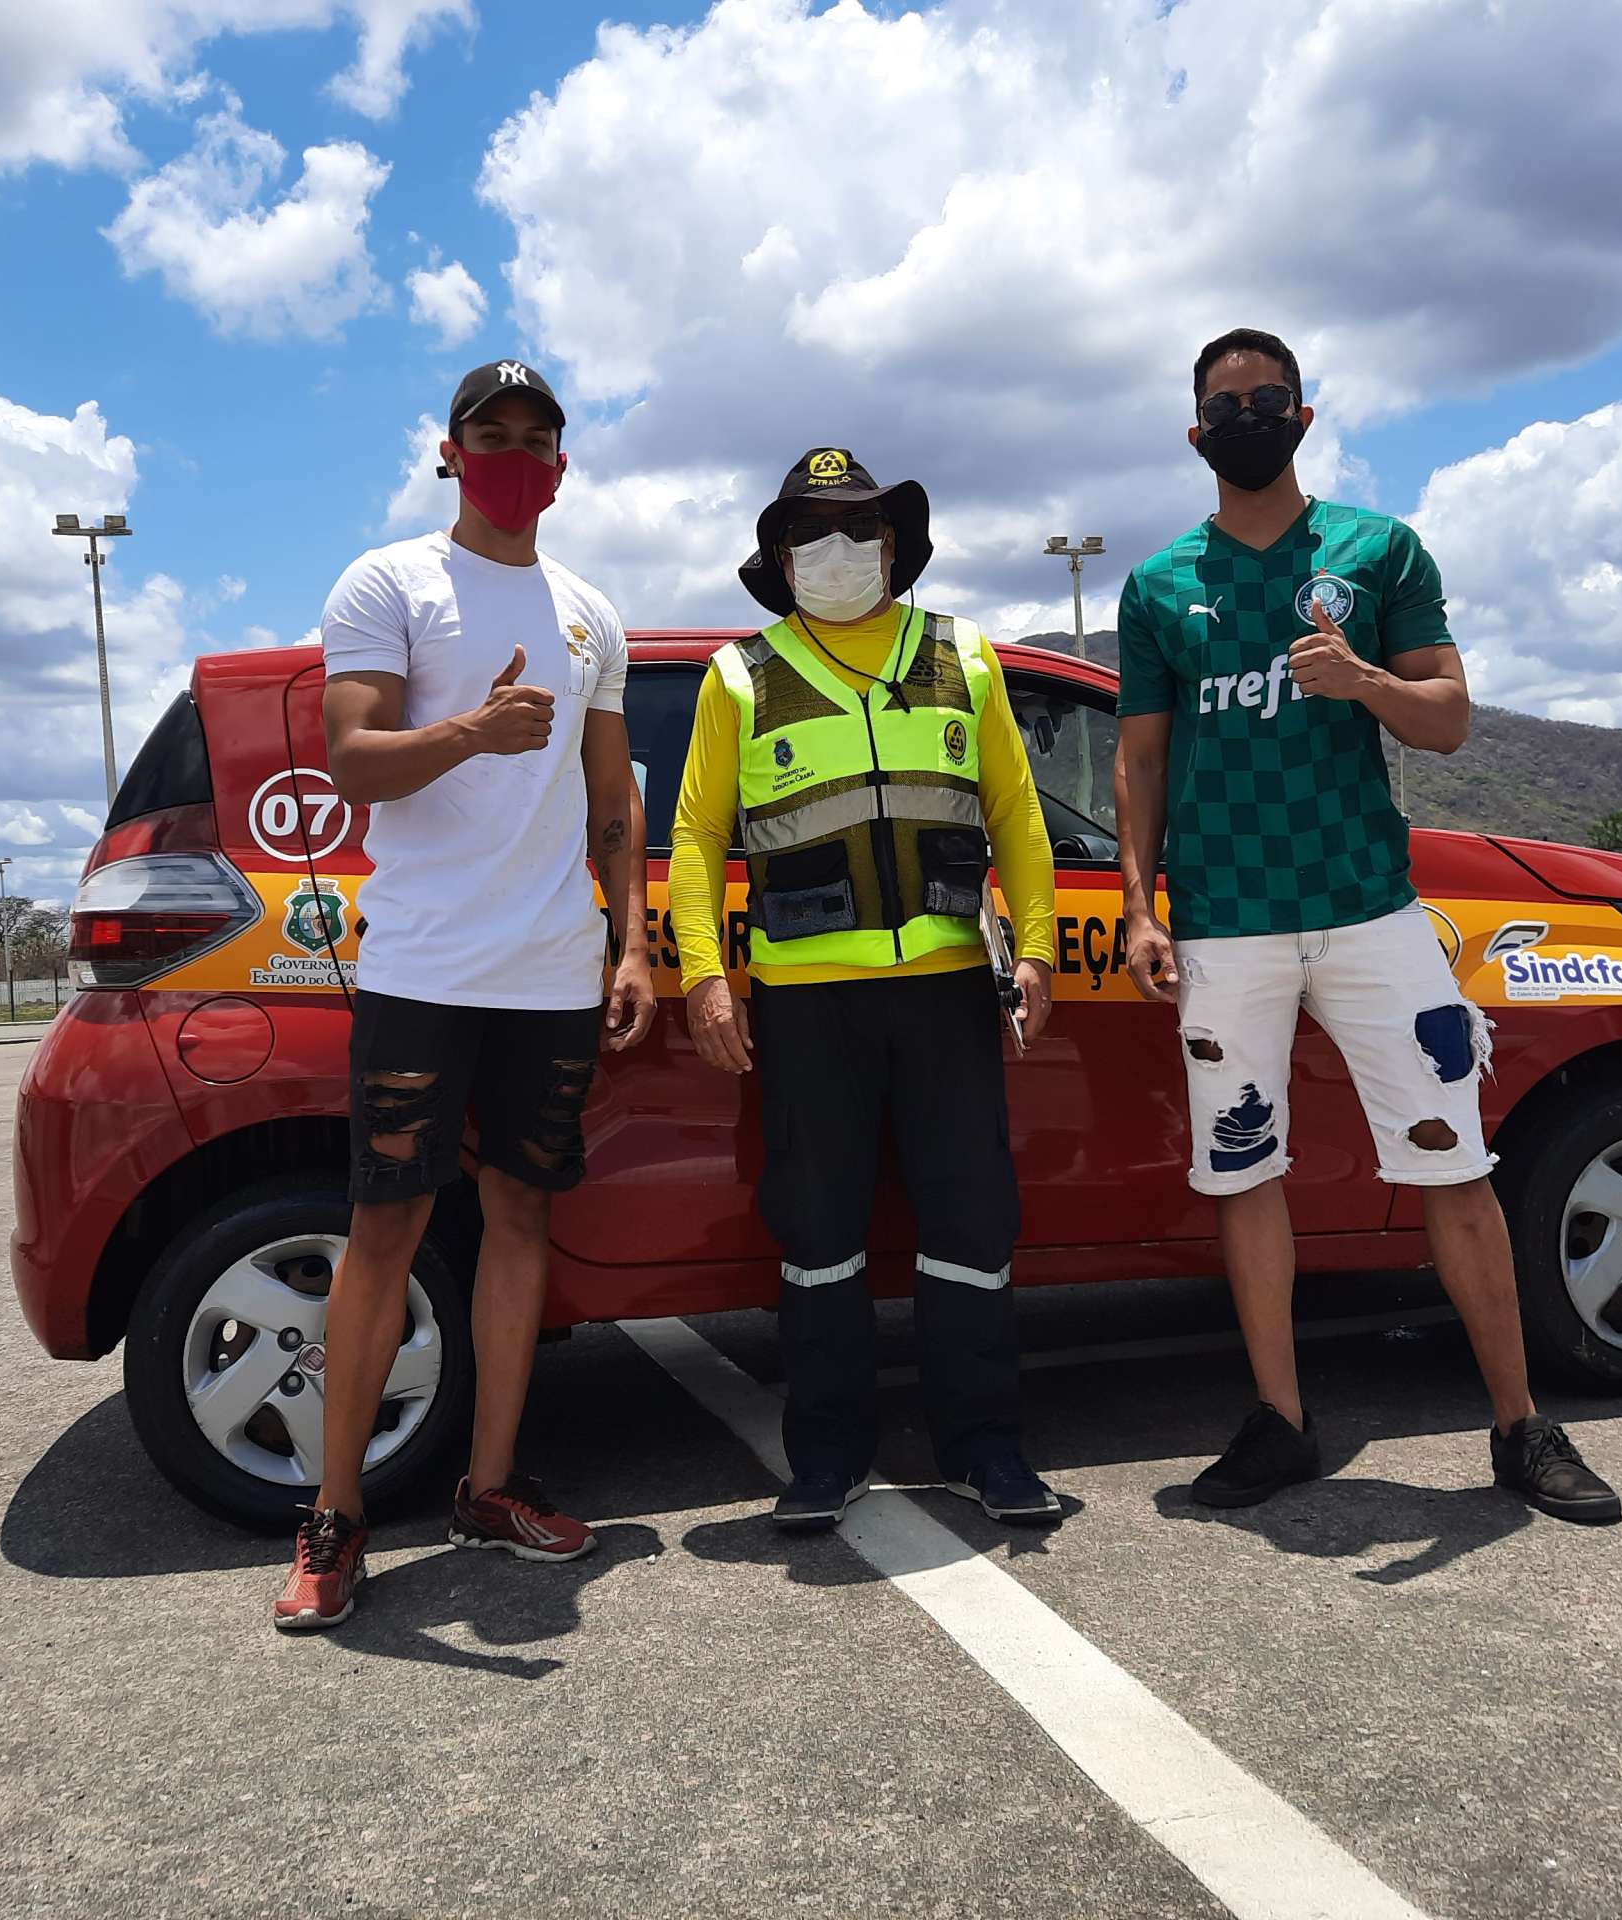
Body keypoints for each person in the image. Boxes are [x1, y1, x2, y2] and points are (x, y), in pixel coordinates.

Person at [1115, 329, 1622, 1525]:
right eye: (1224, 403)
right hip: (1227, 924)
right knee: (1243, 1173)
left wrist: (1366, 685)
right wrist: (1140, 908)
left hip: (1370, 915)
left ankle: (1518, 1424)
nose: (1247, 415)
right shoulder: (1154, 587)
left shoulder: (1376, 550)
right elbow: (1140, 762)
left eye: (1267, 397)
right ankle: (1281, 1421)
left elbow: (1446, 720)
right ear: (1196, 434)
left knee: (1454, 1160)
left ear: (1302, 412)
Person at [274, 358, 658, 1633]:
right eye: (486, 433)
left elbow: (615, 803)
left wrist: (635, 947)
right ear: (448, 452)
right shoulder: (386, 582)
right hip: (425, 971)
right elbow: (353, 761)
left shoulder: (592, 612)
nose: (511, 454)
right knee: (382, 1234)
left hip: (551, 973)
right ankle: (333, 1520)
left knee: (521, 1226)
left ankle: (489, 1490)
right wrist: (468, 735)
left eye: (534, 436)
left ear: (561, 461)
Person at [670, 447, 1065, 1529]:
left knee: (971, 1227)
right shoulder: (739, 675)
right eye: (810, 533)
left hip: (945, 992)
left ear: (894, 547)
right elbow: (698, 835)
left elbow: (1018, 815)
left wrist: (1033, 949)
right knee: (817, 1234)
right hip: (805, 1005)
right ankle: (825, 1458)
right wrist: (706, 978)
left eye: (857, 530)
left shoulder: (964, 656)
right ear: (779, 556)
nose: (836, 550)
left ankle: (986, 1449)